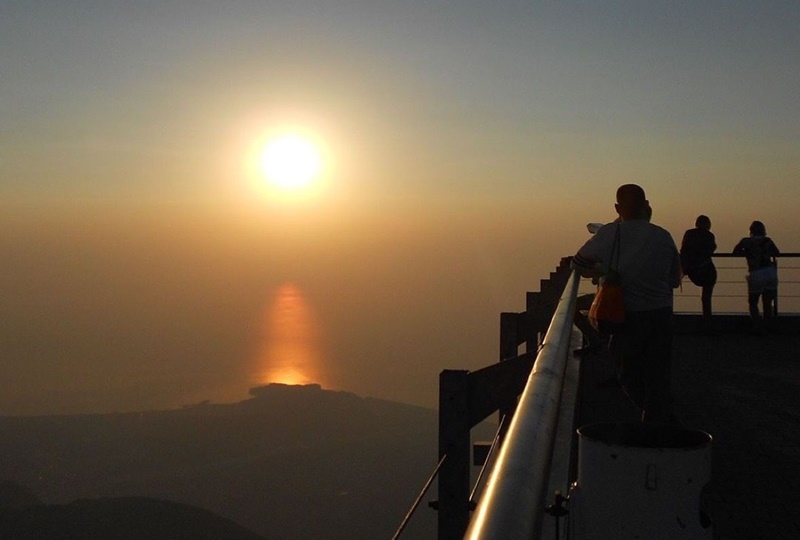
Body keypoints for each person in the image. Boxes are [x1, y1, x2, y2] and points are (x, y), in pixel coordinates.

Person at [571, 184, 682, 423]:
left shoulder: (611, 234)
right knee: (658, 374)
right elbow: (674, 280)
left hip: (628, 316)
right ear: (646, 206)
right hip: (662, 316)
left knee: (627, 373)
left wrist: (602, 270)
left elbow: (577, 263)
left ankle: (655, 419)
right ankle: (658, 420)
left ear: (617, 208)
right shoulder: (663, 236)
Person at [733, 221, 780, 333]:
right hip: (770, 272)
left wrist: (748, 253)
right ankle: (767, 326)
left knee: (753, 302)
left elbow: (735, 252)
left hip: (756, 272)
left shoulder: (746, 241)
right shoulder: (768, 241)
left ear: (751, 231)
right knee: (767, 302)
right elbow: (776, 252)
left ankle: (757, 325)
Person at [680, 215, 717, 332]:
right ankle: (708, 325)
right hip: (707, 269)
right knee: (706, 298)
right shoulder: (709, 235)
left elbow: (683, 250)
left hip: (691, 269)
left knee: (668, 290)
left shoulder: (689, 233)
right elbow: (711, 249)